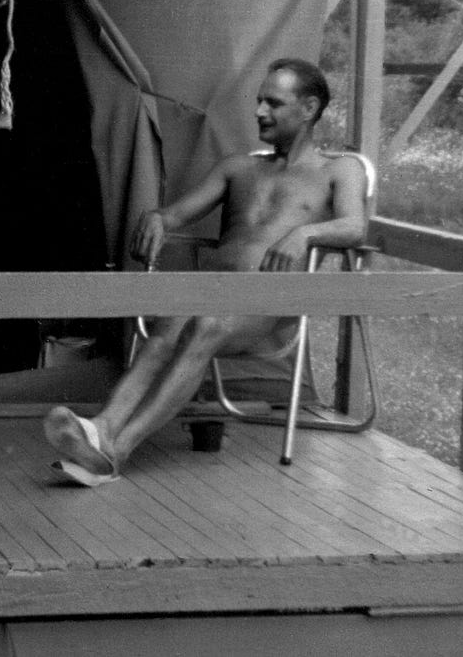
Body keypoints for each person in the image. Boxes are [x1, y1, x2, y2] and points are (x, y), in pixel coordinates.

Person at [44, 57, 367, 485]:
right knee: (169, 327)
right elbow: (176, 215)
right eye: (258, 101)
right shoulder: (239, 168)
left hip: (271, 306)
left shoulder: (339, 169)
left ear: (308, 108)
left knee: (205, 323)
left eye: (273, 102)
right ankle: (102, 430)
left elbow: (355, 225)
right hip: (213, 293)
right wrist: (158, 219)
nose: (259, 112)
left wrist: (306, 233)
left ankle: (118, 451)